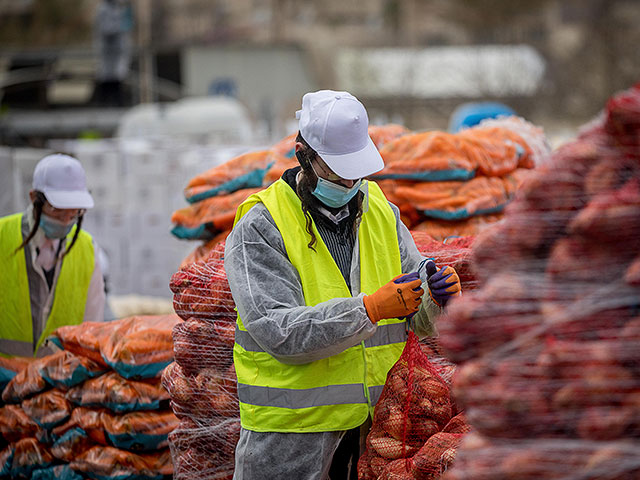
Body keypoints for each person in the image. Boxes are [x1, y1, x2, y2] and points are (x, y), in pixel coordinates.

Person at [224, 90, 462, 480]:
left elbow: (415, 310)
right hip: (293, 436)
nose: (349, 180)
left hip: (375, 429)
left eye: (356, 170)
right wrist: (370, 310)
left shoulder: (380, 211)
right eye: (336, 171)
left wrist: (436, 297)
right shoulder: (261, 226)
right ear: (303, 154)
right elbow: (276, 331)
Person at [0, 154, 106, 358]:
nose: (66, 221)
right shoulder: (2, 236)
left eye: (74, 213)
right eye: (57, 211)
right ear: (34, 198)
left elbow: (93, 325)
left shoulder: (87, 248)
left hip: (58, 383)